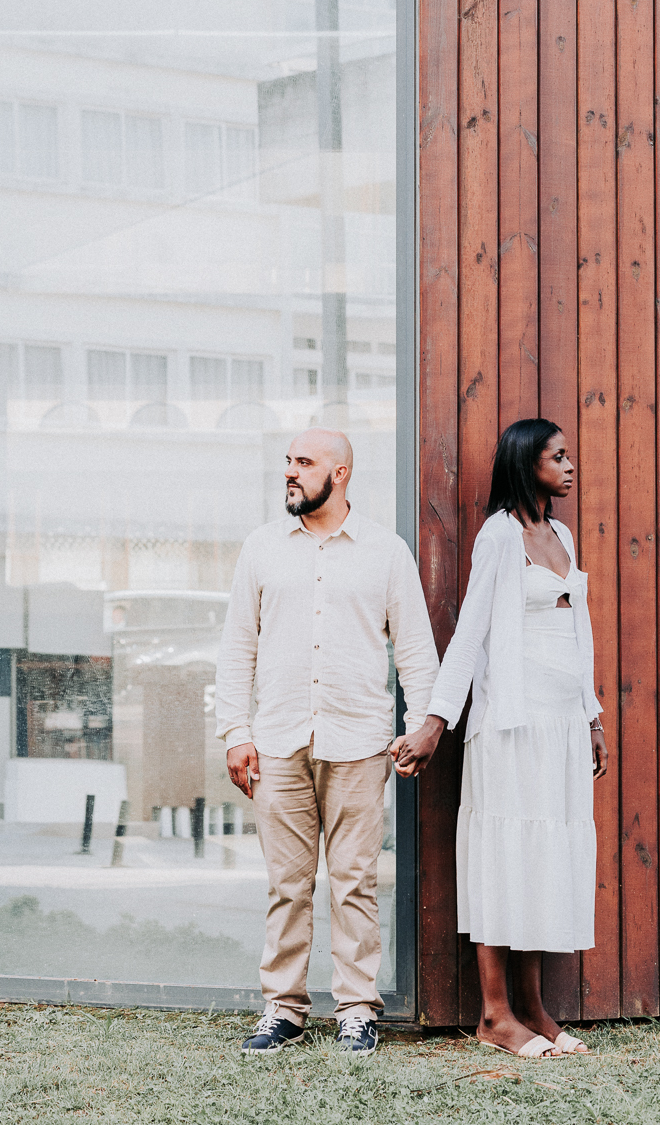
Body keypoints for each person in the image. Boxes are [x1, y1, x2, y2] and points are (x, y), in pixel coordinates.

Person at [215, 428, 440, 1057]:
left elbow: (416, 650)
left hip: (359, 742)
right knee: (287, 885)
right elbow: (237, 648)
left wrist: (422, 725)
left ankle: (356, 1010)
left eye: (303, 463)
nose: (290, 472)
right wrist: (236, 731)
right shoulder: (261, 549)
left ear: (339, 474)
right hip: (278, 740)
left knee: (354, 882)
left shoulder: (385, 552)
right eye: (287, 461)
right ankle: (283, 1009)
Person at [393, 419, 607, 1060]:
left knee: (544, 859)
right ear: (525, 464)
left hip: (561, 725)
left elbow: (580, 634)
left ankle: (536, 1010)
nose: (571, 466)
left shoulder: (561, 533)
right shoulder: (498, 537)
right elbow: (470, 635)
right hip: (510, 726)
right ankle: (494, 1013)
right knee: (505, 856)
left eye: (569, 455)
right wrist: (435, 723)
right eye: (558, 457)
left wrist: (591, 717)